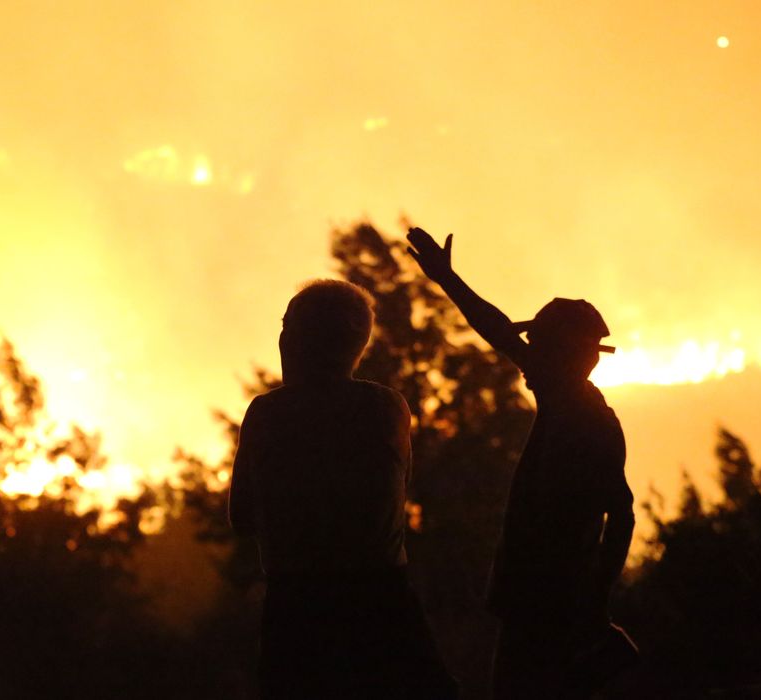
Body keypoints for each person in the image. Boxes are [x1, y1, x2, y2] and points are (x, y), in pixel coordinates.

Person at [406, 228, 637, 699]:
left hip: (544, 604)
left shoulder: (576, 411)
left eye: (543, 347)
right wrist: (595, 600)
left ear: (562, 354)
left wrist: (594, 598)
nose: (529, 358)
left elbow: (622, 515)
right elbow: (623, 515)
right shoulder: (583, 411)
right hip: (551, 602)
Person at [228, 279, 458, 700]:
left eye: (288, 325)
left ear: (299, 339)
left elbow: (241, 518)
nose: (282, 337)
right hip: (385, 603)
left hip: (296, 611)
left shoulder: (267, 415)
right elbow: (396, 490)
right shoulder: (388, 407)